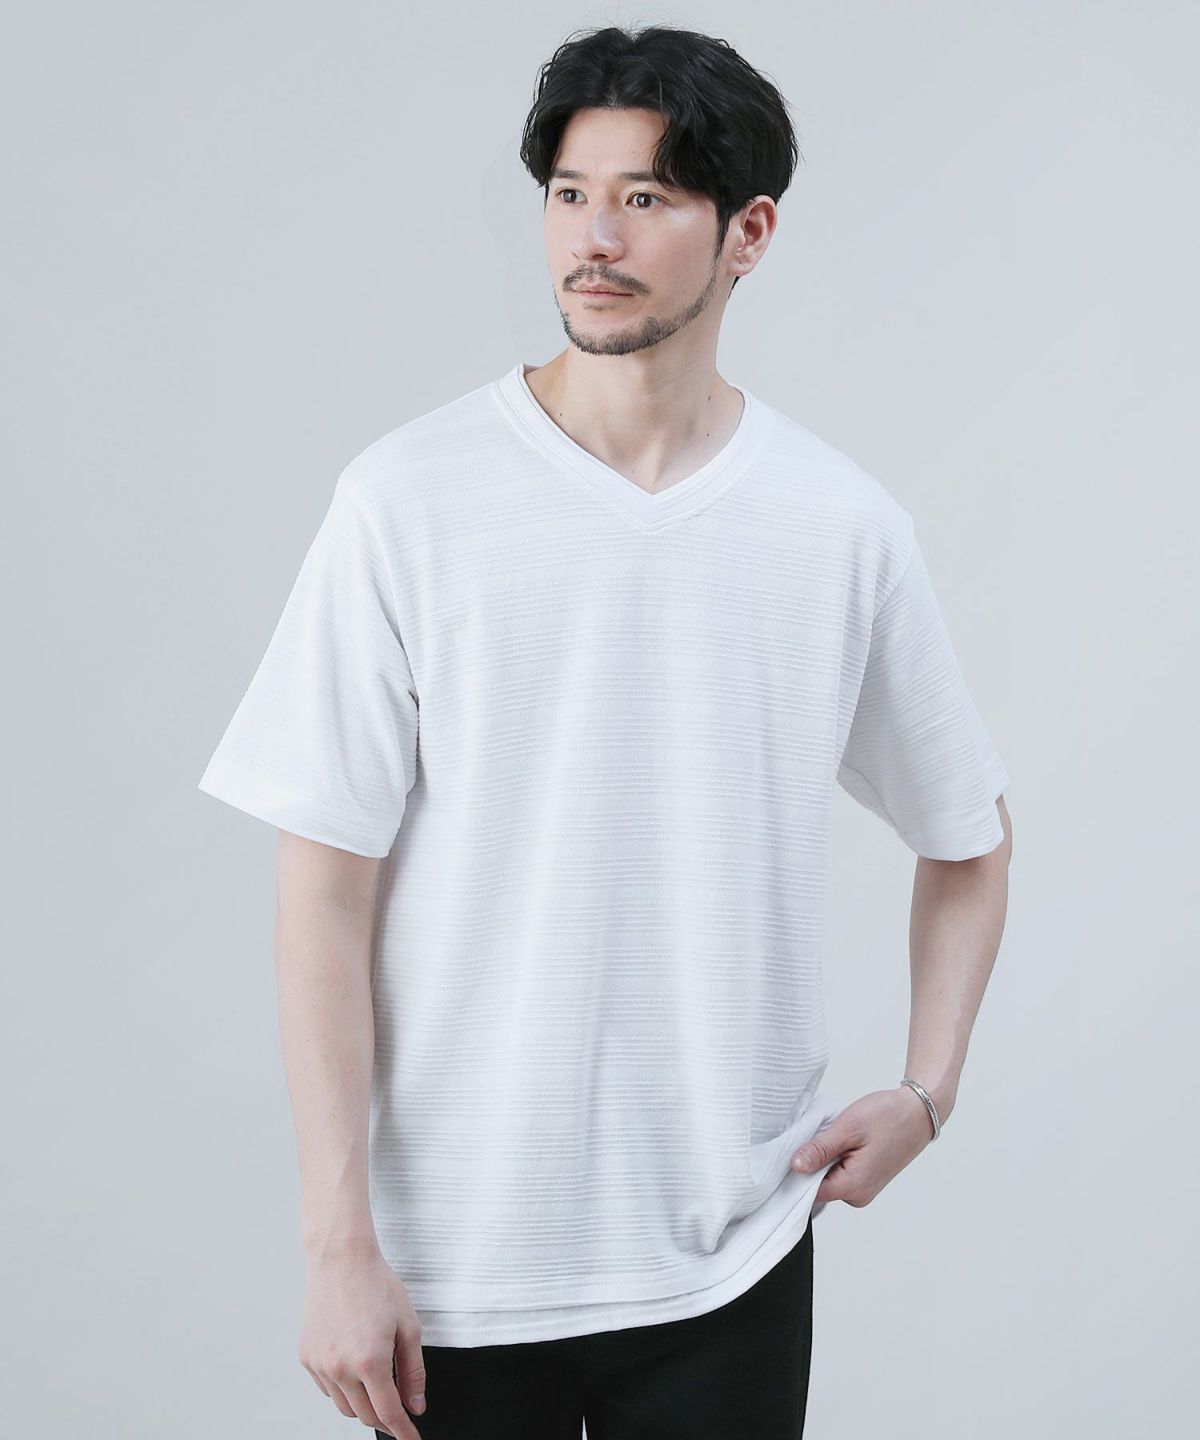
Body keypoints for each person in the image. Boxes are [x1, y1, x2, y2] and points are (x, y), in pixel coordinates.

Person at [197, 22, 1012, 1440]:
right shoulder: (409, 501)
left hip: (731, 1257)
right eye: (571, 194)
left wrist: (928, 1093)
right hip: (449, 1273)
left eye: (647, 198)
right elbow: (322, 888)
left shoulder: (837, 527)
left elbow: (970, 836)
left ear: (749, 232)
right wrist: (336, 1242)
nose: (595, 237)